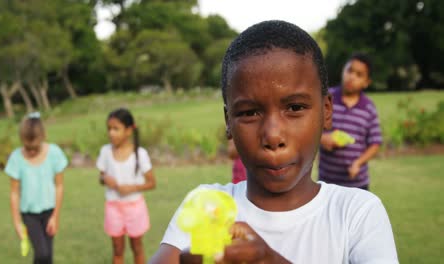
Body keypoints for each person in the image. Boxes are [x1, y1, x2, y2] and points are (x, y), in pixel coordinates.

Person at [150, 20, 398, 264]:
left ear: (326, 111)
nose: (273, 136)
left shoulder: (357, 214)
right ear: (228, 121)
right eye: (249, 112)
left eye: (295, 107)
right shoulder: (207, 205)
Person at [5, 112, 68, 264]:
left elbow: (59, 186)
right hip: (29, 214)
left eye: (35, 148)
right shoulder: (16, 158)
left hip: (49, 211)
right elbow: (14, 193)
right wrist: (17, 223)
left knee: (48, 256)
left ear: (43, 137)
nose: (32, 151)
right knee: (42, 253)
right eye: (28, 147)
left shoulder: (54, 153)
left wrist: (55, 216)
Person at [96, 108, 156, 264]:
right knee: (117, 249)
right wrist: (104, 179)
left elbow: (151, 183)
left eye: (116, 129)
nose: (111, 133)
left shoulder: (139, 154)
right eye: (109, 129)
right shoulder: (105, 152)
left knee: (137, 248)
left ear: (129, 130)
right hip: (113, 207)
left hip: (135, 208)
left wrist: (131, 188)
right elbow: (101, 177)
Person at [319, 53, 382, 190]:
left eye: (359, 75)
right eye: (350, 70)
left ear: (366, 82)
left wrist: (358, 163)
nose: (352, 77)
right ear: (343, 70)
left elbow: (375, 142)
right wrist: (322, 138)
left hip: (357, 184)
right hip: (327, 182)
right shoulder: (326, 98)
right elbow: (309, 127)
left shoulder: (368, 108)